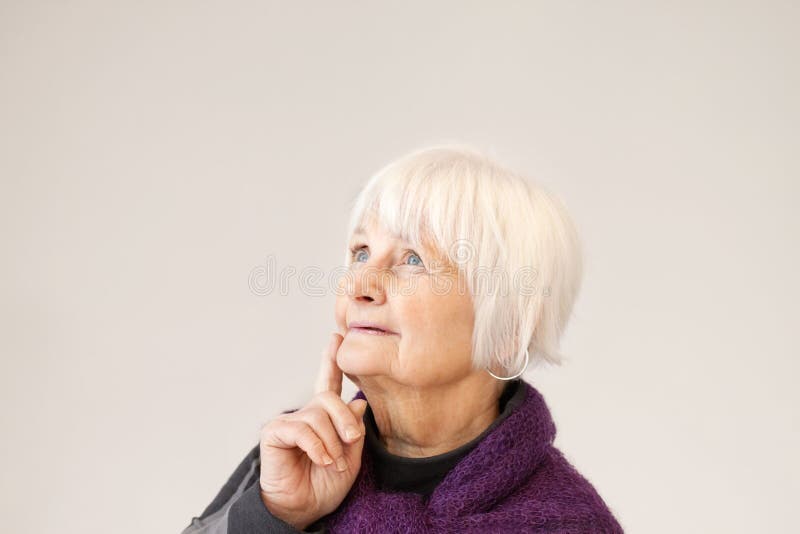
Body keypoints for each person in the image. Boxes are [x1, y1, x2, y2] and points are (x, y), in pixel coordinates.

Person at [181, 145, 624, 533]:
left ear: (509, 327)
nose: (360, 284)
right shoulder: (297, 454)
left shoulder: (570, 523)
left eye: (413, 258)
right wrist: (273, 516)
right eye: (360, 253)